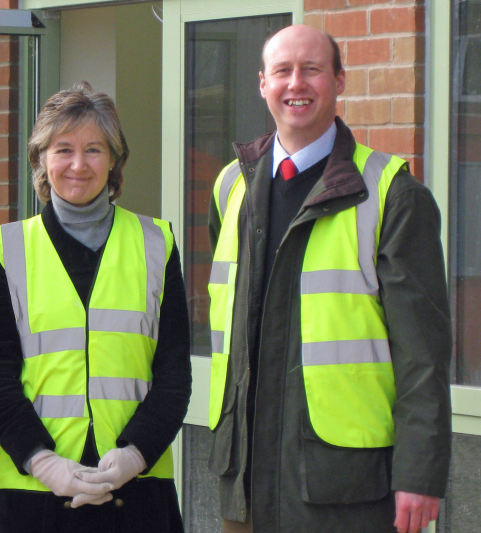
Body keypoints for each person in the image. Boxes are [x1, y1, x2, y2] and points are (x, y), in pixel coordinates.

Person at [207, 25, 451, 533]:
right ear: (262, 84)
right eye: (282, 71)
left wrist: (419, 473)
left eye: (312, 69)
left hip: (344, 487)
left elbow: (422, 355)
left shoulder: (392, 194)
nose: (296, 83)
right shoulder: (232, 184)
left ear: (339, 80)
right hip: (246, 482)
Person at [0, 83, 192, 533]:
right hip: (32, 494)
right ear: (41, 159)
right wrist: (42, 461)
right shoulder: (9, 248)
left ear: (114, 159)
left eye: (94, 150)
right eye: (63, 150)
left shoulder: (156, 244)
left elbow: (174, 371)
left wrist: (136, 452)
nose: (78, 165)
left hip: (138, 490)